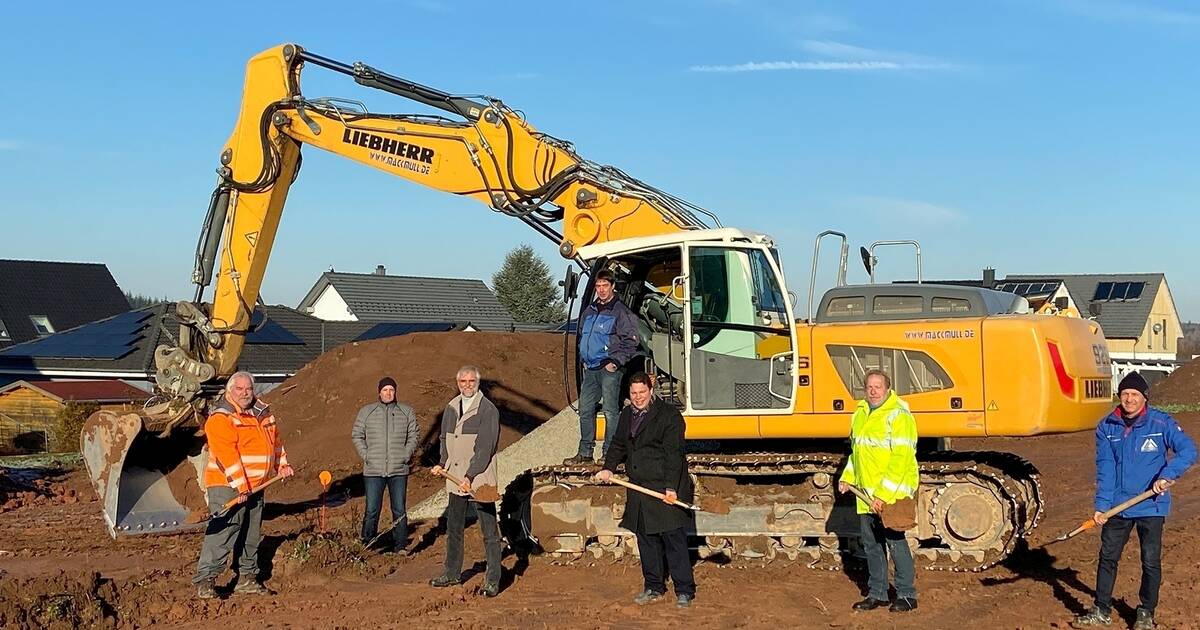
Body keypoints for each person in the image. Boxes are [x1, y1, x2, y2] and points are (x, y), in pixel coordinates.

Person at [1072, 371, 1196, 629]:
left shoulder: (1161, 424)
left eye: (1134, 394)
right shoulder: (1108, 426)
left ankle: (1145, 613)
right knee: (1108, 558)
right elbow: (1105, 467)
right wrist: (1102, 506)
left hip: (1152, 504)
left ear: (1144, 398)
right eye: (1125, 394)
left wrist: (1167, 475)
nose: (1129, 399)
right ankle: (1102, 610)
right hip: (1119, 506)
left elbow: (1188, 450)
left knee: (1150, 561)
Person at [595, 372, 696, 608]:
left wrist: (671, 488)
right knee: (647, 540)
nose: (638, 397)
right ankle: (653, 586)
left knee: (673, 539)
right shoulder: (627, 414)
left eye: (642, 392)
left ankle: (684, 589)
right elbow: (618, 443)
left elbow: (674, 455)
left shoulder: (669, 416)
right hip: (639, 487)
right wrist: (608, 468)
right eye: (634, 393)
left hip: (665, 487)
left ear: (651, 391)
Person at [193, 371, 293, 599]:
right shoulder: (222, 417)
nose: (245, 393)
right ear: (230, 391)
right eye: (239, 389)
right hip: (227, 484)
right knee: (224, 530)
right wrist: (241, 485)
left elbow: (275, 443)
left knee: (251, 532)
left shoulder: (264, 414)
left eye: (248, 389)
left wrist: (282, 465)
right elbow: (226, 455)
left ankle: (246, 578)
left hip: (257, 485)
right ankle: (205, 580)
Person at [838, 369, 918, 613]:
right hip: (866, 494)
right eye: (869, 387)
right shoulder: (860, 413)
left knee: (896, 543)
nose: (873, 391)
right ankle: (878, 593)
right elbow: (857, 452)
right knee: (872, 546)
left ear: (888, 389)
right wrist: (847, 478)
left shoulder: (898, 415)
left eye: (878, 387)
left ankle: (906, 595)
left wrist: (882, 495)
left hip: (891, 494)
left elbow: (901, 459)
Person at [429, 365, 503, 597]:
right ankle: (451, 573)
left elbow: (485, 448)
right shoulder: (451, 408)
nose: (467, 385)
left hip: (480, 479)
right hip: (455, 477)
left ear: (478, 383)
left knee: (489, 529)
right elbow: (444, 438)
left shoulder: (487, 410)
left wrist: (470, 476)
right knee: (454, 527)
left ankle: (493, 579)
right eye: (463, 381)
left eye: (471, 381)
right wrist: (442, 462)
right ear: (458, 383)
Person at [564, 268, 640, 466]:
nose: (601, 290)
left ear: (613, 286)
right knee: (585, 409)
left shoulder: (621, 312)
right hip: (591, 368)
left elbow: (631, 341)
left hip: (609, 369)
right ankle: (585, 452)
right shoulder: (590, 311)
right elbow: (582, 335)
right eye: (598, 286)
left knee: (610, 411)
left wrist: (615, 363)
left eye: (605, 286)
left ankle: (609, 453)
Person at [352, 376, 420, 554]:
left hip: (398, 470)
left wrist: (405, 455)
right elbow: (357, 435)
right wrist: (366, 456)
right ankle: (368, 543)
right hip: (373, 470)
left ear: (395, 392)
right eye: (385, 390)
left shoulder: (406, 412)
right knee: (372, 508)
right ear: (379, 392)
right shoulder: (367, 412)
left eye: (391, 390)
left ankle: (401, 545)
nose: (388, 393)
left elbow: (414, 435)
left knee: (399, 508)